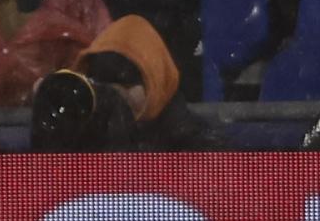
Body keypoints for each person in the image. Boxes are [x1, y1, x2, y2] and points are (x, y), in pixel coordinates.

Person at [30, 14, 222, 152]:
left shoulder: (191, 142)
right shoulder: (80, 133)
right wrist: (50, 113)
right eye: (100, 81)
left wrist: (124, 133)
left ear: (156, 81)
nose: (114, 92)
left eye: (126, 83)